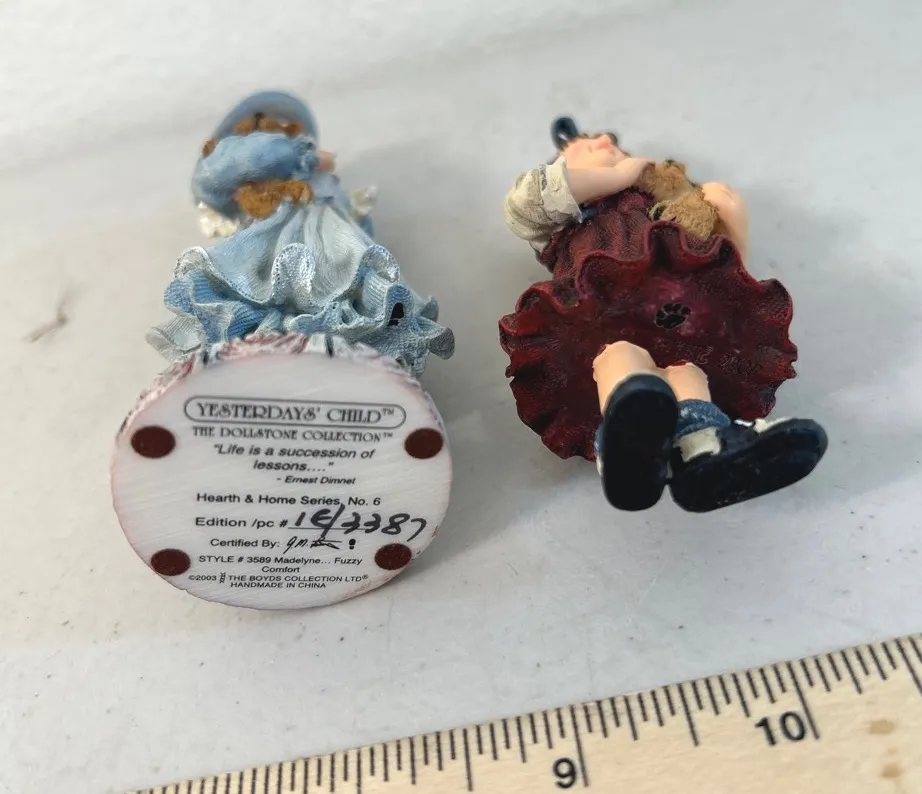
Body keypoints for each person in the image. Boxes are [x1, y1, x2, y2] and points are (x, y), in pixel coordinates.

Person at [501, 118, 827, 513]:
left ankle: (702, 454)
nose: (607, 141)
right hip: (602, 297)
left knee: (688, 368)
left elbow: (723, 256)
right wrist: (621, 174)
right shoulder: (565, 210)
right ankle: (629, 437)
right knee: (619, 354)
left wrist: (729, 215)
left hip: (682, 304)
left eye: (615, 146)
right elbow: (526, 203)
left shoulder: (659, 206)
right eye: (590, 143)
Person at [148, 91, 454, 379]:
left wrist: (357, 216)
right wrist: (303, 155)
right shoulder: (259, 166)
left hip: (333, 241)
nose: (283, 132)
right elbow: (222, 170)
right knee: (271, 289)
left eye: (287, 129)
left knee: (351, 288)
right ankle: (270, 356)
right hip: (278, 238)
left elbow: (354, 230)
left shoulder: (316, 183)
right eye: (269, 126)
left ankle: (343, 359)